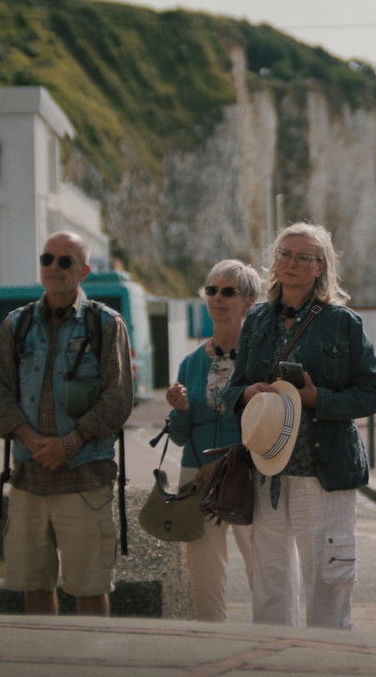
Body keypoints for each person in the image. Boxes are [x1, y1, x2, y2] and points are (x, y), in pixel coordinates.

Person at [222, 222, 376, 629]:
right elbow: (231, 389)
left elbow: (372, 392)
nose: (291, 263)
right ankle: (275, 663)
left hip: (323, 470)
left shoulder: (342, 322)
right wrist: (247, 394)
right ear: (274, 262)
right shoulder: (257, 320)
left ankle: (327, 663)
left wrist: (318, 399)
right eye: (284, 254)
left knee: (327, 580)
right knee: (269, 583)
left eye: (303, 257)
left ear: (321, 267)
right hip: (266, 470)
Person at [0, 231, 133, 616]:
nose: (53, 267)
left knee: (90, 589)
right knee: (34, 588)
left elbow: (118, 399)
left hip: (85, 480)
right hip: (29, 478)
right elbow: (1, 395)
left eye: (65, 261)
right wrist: (29, 436)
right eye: (47, 259)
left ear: (84, 270)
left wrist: (68, 444)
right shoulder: (16, 325)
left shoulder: (105, 324)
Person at [165, 259, 261, 622]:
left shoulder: (260, 359)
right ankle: (212, 646)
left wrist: (228, 460)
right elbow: (177, 436)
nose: (217, 299)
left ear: (249, 301)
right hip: (197, 477)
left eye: (227, 292)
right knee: (204, 579)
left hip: (249, 473)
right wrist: (181, 409)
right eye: (211, 290)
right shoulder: (191, 362)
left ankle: (275, 643)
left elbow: (268, 423)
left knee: (265, 570)